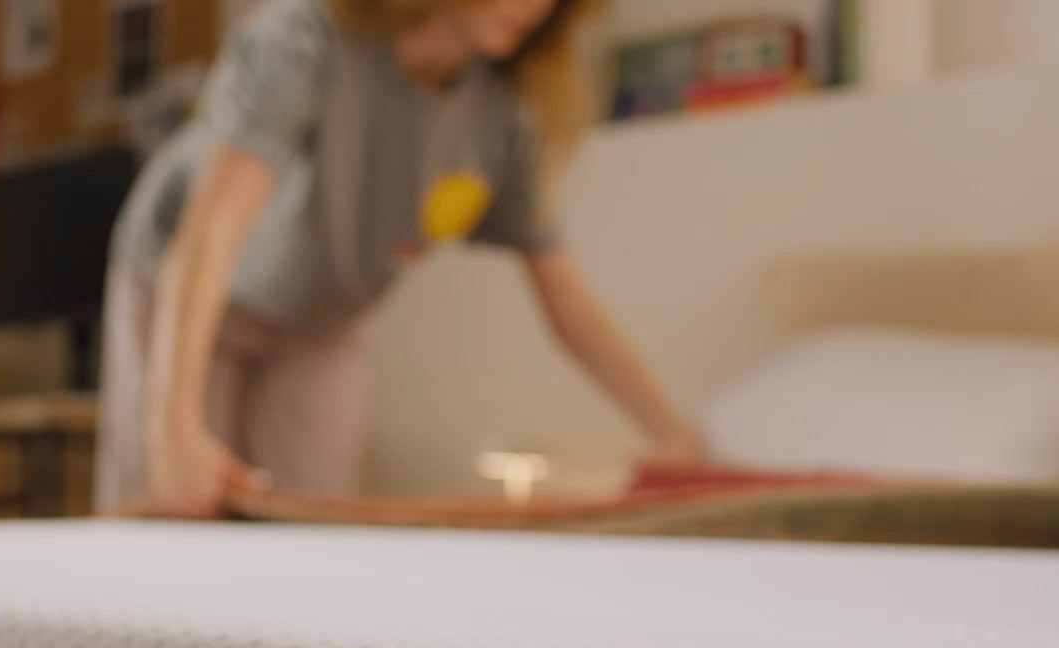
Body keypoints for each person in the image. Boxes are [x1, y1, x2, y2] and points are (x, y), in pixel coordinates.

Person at [97, 0, 705, 518]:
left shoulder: (504, 116)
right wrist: (170, 427)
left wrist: (672, 435)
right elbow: (216, 225)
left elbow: (566, 297)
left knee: (310, 522)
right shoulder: (306, 39)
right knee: (177, 504)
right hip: (192, 284)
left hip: (322, 321)